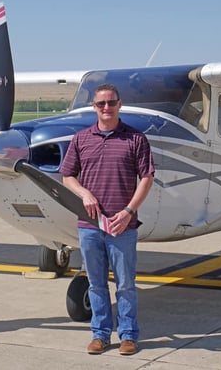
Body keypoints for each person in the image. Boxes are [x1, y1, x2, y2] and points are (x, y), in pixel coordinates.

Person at [60, 84, 154, 355]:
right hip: (90, 225)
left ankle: (128, 336)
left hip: (123, 225)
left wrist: (128, 212)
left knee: (125, 285)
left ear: (119, 104)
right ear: (94, 107)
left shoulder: (136, 139)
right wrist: (84, 193)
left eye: (111, 103)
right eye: (101, 104)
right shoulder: (81, 139)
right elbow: (68, 176)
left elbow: (147, 178)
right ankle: (100, 334)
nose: (106, 108)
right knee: (96, 283)